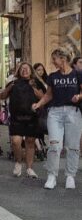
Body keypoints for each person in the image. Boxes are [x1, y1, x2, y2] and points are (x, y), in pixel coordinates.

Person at [32, 48, 82, 189]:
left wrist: (78, 96)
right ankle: (51, 175)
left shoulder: (78, 74)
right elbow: (49, 95)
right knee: (54, 145)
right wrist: (39, 104)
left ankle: (70, 176)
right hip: (55, 113)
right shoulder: (53, 76)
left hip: (73, 112)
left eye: (54, 59)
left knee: (73, 146)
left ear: (63, 59)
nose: (53, 61)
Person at [1, 62, 45, 178]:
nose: (24, 71)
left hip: (32, 117)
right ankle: (18, 162)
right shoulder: (13, 82)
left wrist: (33, 87)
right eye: (22, 69)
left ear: (31, 70)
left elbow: (43, 97)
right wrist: (9, 87)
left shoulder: (36, 82)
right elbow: (3, 96)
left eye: (26, 69)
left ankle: (29, 168)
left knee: (30, 142)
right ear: (19, 71)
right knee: (16, 141)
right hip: (16, 117)